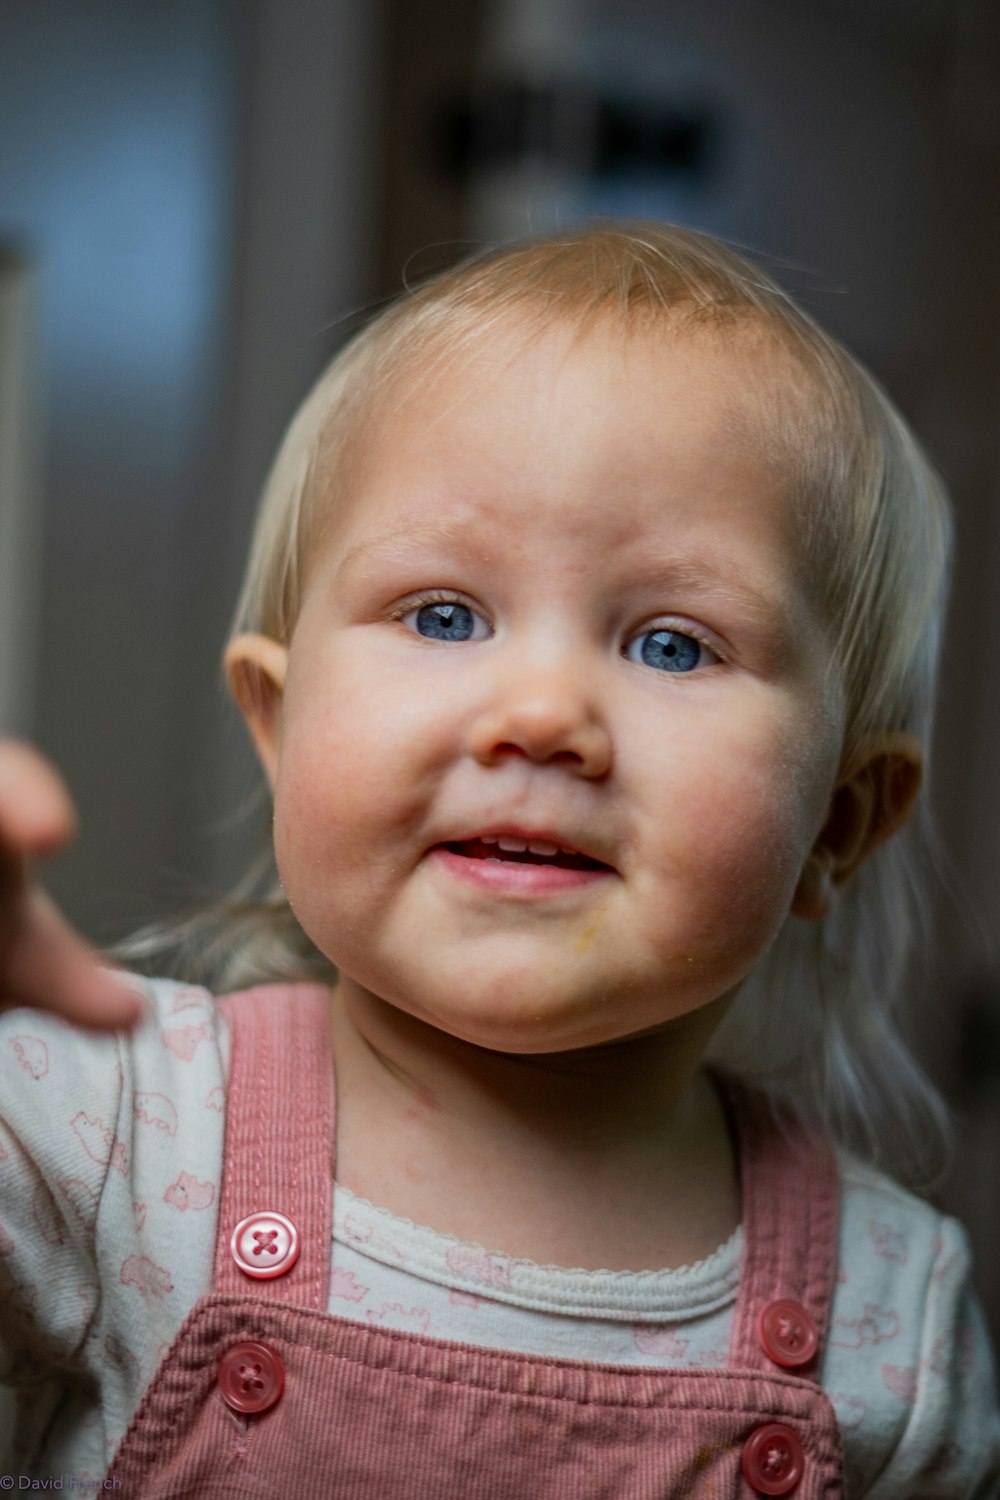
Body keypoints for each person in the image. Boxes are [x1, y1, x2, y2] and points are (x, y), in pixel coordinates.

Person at [1, 221, 998, 1497]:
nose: (541, 716)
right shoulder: (103, 1130)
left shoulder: (893, 1320)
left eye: (673, 645)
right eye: (444, 614)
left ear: (839, 823)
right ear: (276, 721)